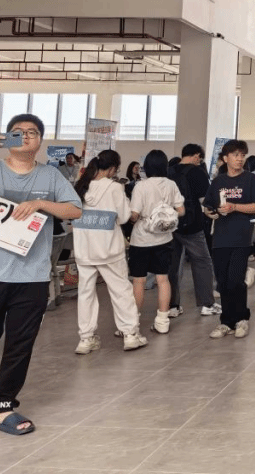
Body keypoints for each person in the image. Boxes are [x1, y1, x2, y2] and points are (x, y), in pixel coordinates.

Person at [0, 115, 83, 435]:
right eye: (18, 132)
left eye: (32, 132)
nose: (25, 136)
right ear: (7, 138)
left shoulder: (50, 175)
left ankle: (5, 404)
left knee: (21, 341)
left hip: (31, 274)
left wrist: (41, 203)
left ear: (40, 141)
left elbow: (74, 209)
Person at [71, 150, 148, 353]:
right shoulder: (115, 187)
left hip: (84, 249)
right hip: (109, 250)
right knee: (121, 291)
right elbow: (123, 217)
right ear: (113, 168)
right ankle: (130, 335)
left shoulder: (81, 186)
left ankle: (85, 339)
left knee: (85, 294)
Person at [203, 140, 255, 339]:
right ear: (225, 158)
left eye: (242, 155)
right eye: (236, 155)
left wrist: (235, 207)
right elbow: (208, 206)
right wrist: (211, 212)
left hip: (241, 237)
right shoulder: (218, 181)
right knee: (222, 282)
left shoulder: (251, 180)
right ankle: (226, 322)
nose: (240, 159)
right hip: (220, 238)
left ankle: (241, 318)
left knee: (236, 280)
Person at [128, 150, 184, 334]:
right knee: (163, 279)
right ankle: (162, 321)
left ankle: (132, 323)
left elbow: (134, 215)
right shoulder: (171, 184)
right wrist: (164, 214)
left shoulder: (141, 186)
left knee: (139, 281)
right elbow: (181, 210)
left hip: (141, 240)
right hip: (165, 238)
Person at [167, 144, 219, 318]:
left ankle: (172, 306)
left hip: (170, 223)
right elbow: (205, 201)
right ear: (196, 156)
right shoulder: (197, 172)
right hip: (192, 225)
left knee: (173, 265)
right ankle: (207, 304)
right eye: (200, 158)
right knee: (202, 261)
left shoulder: (169, 171)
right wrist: (211, 213)